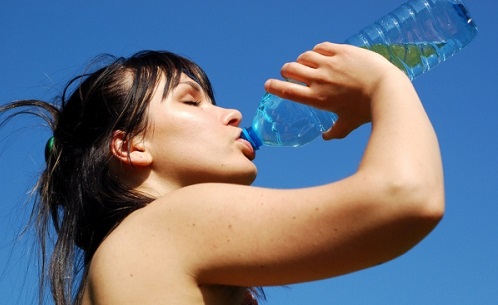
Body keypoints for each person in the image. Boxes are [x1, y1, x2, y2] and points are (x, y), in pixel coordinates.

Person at [0, 42, 445, 305]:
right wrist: (386, 83)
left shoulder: (114, 263)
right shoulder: (168, 223)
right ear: (129, 146)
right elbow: (405, 196)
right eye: (191, 102)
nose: (232, 113)